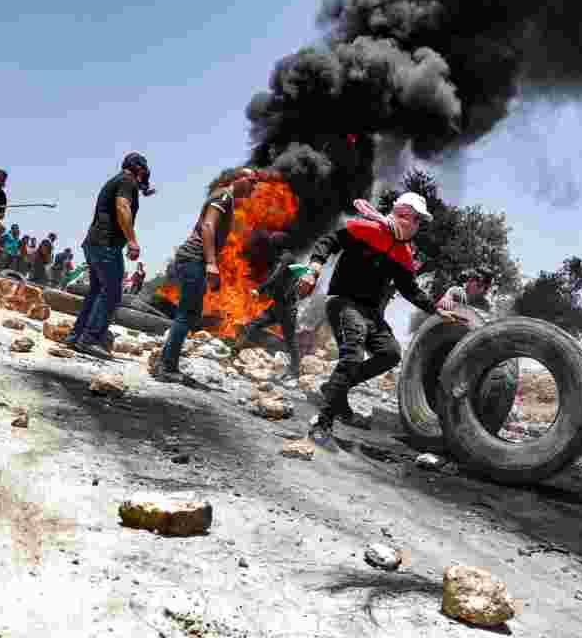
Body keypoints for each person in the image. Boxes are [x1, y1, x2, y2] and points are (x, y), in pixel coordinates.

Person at [301, 192, 460, 442]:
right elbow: (329, 240)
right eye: (417, 220)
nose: (418, 227)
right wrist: (314, 269)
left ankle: (335, 388)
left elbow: (410, 289)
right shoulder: (366, 228)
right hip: (343, 302)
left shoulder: (403, 253)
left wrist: (435, 309)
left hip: (370, 313)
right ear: (403, 215)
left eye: (420, 222)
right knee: (353, 354)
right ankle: (323, 422)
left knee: (390, 354)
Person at [152, 167, 262, 383]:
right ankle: (166, 367)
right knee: (187, 313)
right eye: (252, 181)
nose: (254, 187)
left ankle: (165, 362)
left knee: (189, 313)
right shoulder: (223, 195)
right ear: (237, 179)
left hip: (195, 260)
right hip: (194, 258)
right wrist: (211, 263)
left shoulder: (226, 198)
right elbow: (208, 225)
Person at [66, 152, 151, 358]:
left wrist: (144, 188)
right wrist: (131, 240)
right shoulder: (127, 182)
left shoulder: (120, 180)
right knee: (112, 293)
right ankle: (90, 339)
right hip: (106, 244)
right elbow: (122, 206)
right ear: (138, 168)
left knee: (96, 291)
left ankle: (76, 336)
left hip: (94, 242)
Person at [237, 232, 302, 378]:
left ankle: (295, 370)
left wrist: (259, 289)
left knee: (290, 340)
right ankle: (239, 350)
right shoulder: (284, 258)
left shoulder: (286, 258)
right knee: (252, 325)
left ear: (278, 244)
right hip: (277, 306)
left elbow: (276, 277)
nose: (271, 247)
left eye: (273, 244)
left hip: (286, 308)